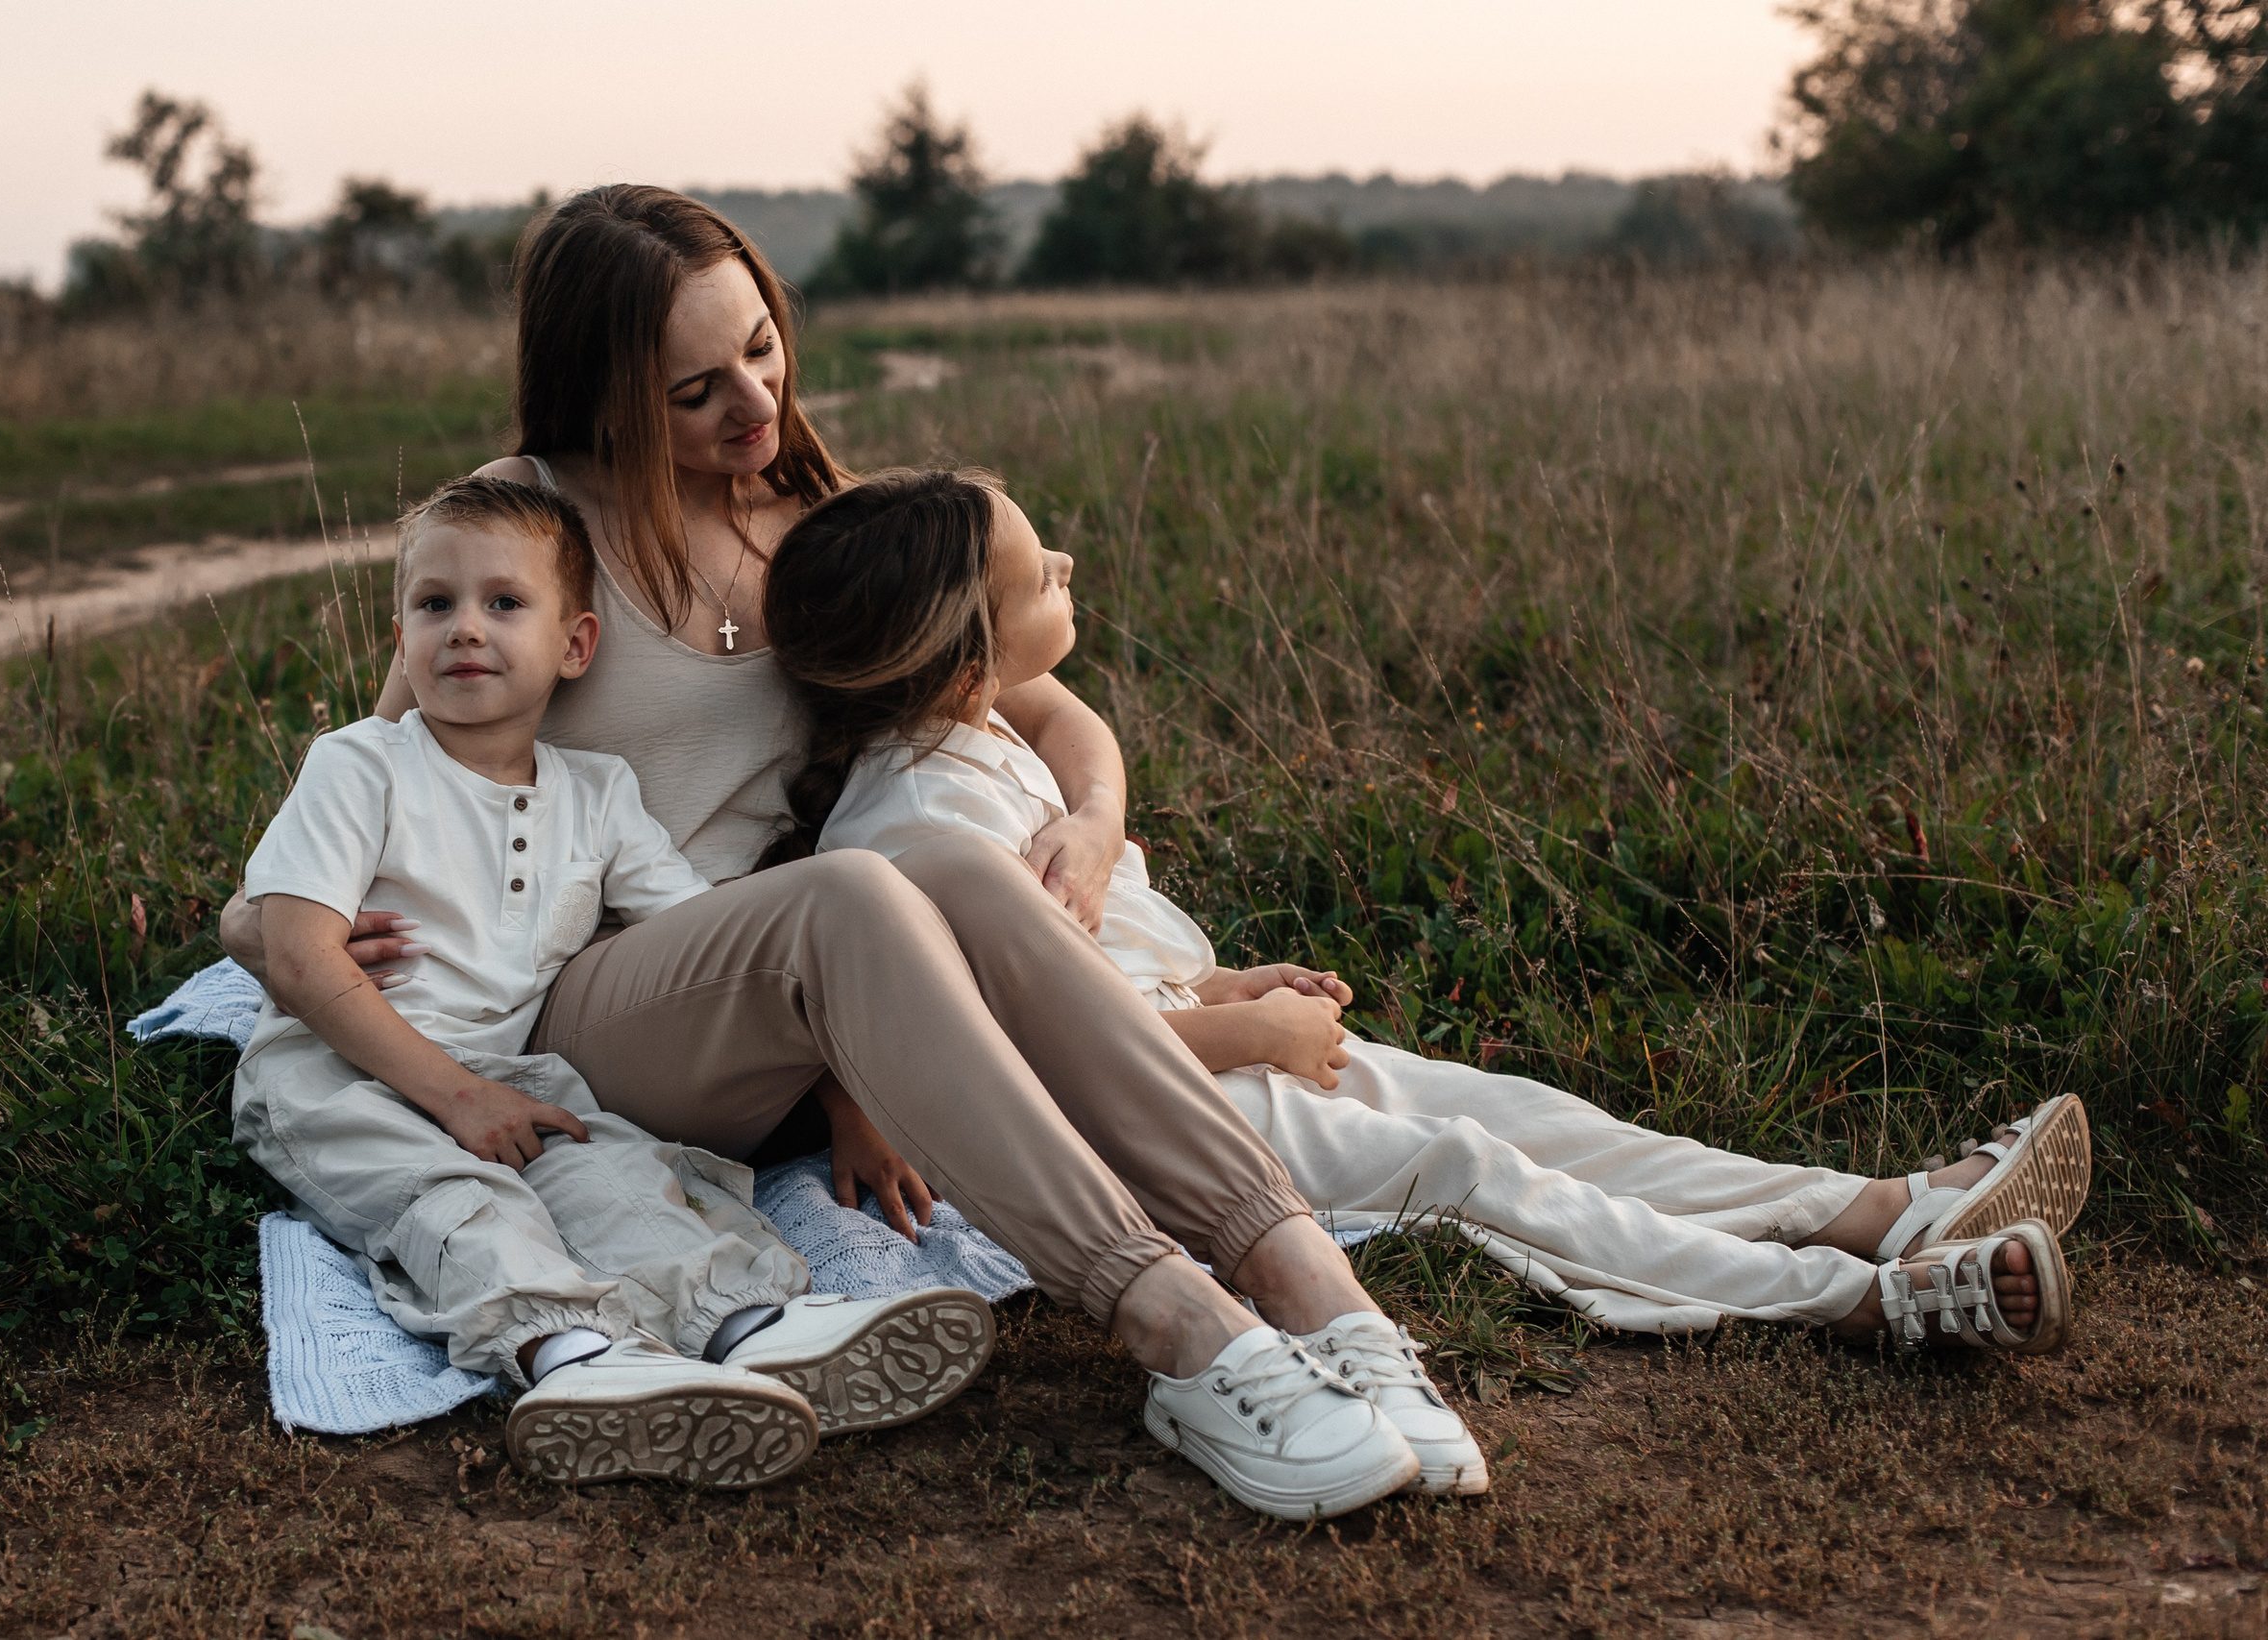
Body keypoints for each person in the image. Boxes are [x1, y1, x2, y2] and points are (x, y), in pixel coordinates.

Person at [224, 185, 1471, 1521]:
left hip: (804, 972)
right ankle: (1176, 1323)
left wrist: (1094, 818)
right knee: (863, 886)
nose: (754, 406)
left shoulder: (816, 511)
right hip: (596, 1006)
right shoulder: (521, 538)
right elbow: (378, 775)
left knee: (943, 859)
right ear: (602, 399)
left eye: (762, 349)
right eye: (695, 390)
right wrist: (297, 926)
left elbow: (1039, 706)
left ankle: (1309, 1289)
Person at [761, 465, 2087, 1359]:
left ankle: (1872, 1203)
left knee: (1527, 1115)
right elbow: (1022, 1053)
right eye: (1035, 572)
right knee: (1472, 1172)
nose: (1068, 562)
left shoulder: (984, 740)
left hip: (1211, 1055)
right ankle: (1860, 1298)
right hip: (1160, 1118)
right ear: (967, 652)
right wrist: (1253, 1036)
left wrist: (1227, 996)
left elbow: (1081, 967)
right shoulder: (917, 818)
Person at [233, 473, 997, 1490]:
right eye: (434, 605)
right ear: (402, 634)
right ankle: (576, 1362)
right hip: (336, 1070)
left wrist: (838, 1093)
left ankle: (751, 1327)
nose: (464, 628)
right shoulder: (362, 764)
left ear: (575, 646)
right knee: (454, 1199)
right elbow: (293, 951)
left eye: (504, 604)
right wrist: (453, 1098)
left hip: (512, 1071)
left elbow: (725, 951)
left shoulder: (597, 798)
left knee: (616, 1176)